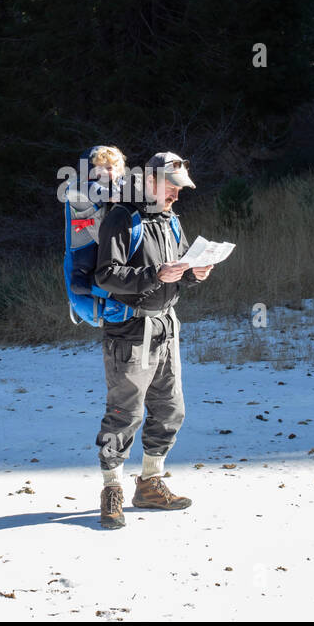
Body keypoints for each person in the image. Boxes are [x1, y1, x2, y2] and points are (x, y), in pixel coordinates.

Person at [93, 152, 213, 529]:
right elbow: (106, 276)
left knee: (170, 409)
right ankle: (111, 488)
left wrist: (194, 274)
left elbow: (173, 271)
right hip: (130, 331)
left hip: (166, 325)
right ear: (149, 181)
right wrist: (154, 275)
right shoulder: (121, 218)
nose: (178, 195)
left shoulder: (170, 219)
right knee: (124, 415)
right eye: (172, 187)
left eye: (181, 189)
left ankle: (150, 483)